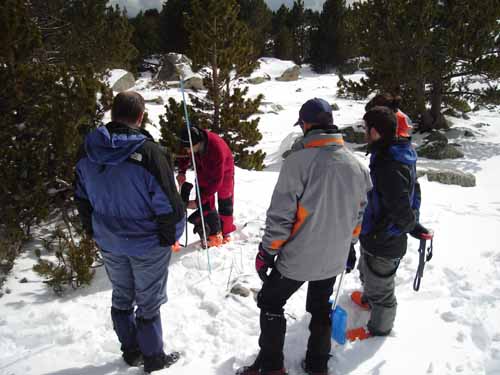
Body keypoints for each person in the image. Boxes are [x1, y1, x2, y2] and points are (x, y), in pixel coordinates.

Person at [237, 98, 372, 375]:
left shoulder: (298, 162)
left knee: (271, 302)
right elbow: (359, 214)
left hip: (299, 257)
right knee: (320, 307)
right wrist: (350, 245)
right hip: (334, 255)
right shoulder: (357, 166)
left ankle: (273, 367)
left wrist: (267, 252)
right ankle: (317, 363)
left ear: (307, 124)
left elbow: (281, 216)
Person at [74, 91, 185, 373]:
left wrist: (93, 230)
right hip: (147, 243)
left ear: (113, 115)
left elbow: (81, 198)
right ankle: (153, 358)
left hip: (110, 241)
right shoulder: (150, 153)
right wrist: (169, 235)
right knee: (148, 301)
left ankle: (131, 350)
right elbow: (170, 205)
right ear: (140, 116)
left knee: (122, 295)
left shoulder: (88, 151)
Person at [346, 106, 430, 341]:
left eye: (365, 128)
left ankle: (379, 329)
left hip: (384, 240)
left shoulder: (389, 164)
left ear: (375, 131)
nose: (363, 132)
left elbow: (400, 206)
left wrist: (392, 230)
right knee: (368, 271)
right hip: (374, 232)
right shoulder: (389, 152)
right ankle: (369, 297)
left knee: (381, 286)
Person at [176, 125, 236, 248]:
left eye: (189, 148)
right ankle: (212, 232)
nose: (187, 151)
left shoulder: (216, 147)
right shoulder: (190, 141)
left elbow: (215, 183)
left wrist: (198, 202)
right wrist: (182, 172)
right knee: (205, 200)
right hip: (202, 169)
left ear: (198, 143)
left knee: (225, 200)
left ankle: (225, 232)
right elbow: (184, 154)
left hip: (224, 171)